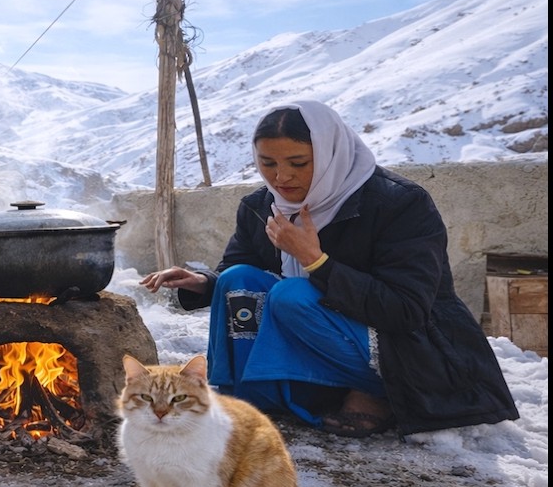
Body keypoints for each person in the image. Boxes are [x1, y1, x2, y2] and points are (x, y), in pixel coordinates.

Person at [141, 100, 519, 437]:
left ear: (331, 154)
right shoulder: (262, 205)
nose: (281, 177)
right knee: (237, 280)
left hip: (410, 355)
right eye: (267, 163)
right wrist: (205, 283)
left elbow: (406, 310)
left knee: (292, 295)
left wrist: (316, 262)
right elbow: (242, 268)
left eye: (298, 163)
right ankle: (244, 394)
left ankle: (376, 390)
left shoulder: (399, 204)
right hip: (319, 337)